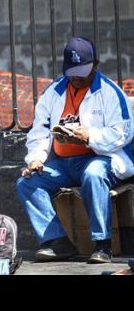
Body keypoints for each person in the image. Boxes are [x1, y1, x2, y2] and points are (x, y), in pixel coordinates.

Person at [16, 37, 134, 264]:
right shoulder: (53, 92)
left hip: (100, 158)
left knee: (93, 174)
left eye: (83, 72)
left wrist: (89, 137)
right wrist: (36, 159)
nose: (77, 78)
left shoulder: (110, 92)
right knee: (27, 183)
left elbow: (123, 132)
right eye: (72, 73)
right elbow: (39, 131)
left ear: (95, 65)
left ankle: (103, 244)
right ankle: (57, 242)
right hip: (63, 163)